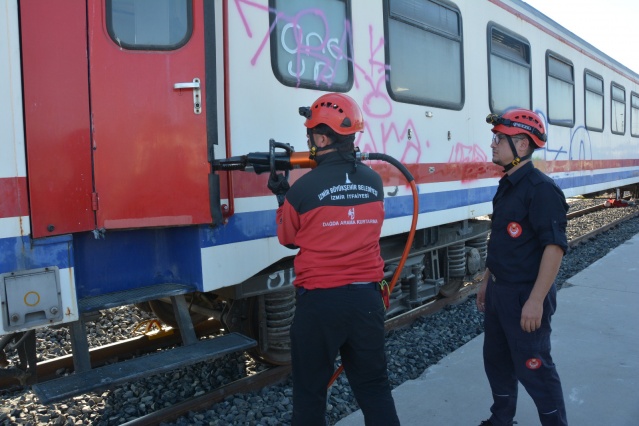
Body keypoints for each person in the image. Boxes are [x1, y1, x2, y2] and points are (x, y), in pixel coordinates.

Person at [267, 93, 400, 426]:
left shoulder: (303, 188)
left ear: (323, 137)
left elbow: (289, 239)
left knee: (311, 393)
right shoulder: (373, 182)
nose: (309, 141)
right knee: (374, 388)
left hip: (321, 303)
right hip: (367, 301)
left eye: (310, 134)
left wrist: (282, 195)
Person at [477, 108, 569, 426]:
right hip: (501, 292)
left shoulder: (541, 190)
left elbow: (554, 248)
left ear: (522, 144)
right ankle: (501, 419)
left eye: (498, 139)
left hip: (525, 295)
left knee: (535, 369)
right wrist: (488, 279)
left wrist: (535, 300)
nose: (493, 145)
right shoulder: (508, 184)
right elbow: (501, 239)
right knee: (497, 362)